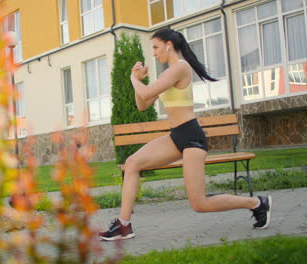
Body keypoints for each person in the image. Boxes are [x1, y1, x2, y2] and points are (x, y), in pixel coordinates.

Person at [99, 27, 272, 241]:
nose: (153, 52)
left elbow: (144, 93)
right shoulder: (168, 72)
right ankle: (123, 225)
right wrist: (138, 81)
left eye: (155, 47)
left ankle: (257, 203)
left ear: (168, 45)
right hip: (176, 136)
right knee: (133, 162)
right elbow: (142, 104)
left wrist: (133, 79)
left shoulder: (180, 68)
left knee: (200, 204)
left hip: (191, 136)